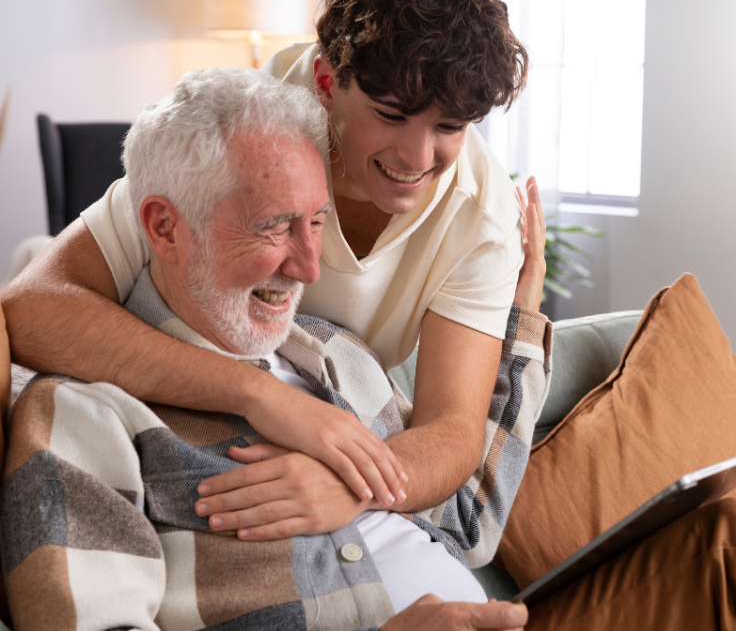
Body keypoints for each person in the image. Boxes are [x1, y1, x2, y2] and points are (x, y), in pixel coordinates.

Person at [1, 0, 547, 534]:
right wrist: (260, 395)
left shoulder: (484, 218)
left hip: (341, 418)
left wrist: (356, 487)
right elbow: (32, 306)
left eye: (449, 128)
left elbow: (453, 430)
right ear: (325, 81)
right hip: (190, 395)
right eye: (390, 114)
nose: (417, 159)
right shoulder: (244, 127)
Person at [1, 67, 545, 631]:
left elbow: (463, 521)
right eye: (274, 227)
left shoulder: (338, 355)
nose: (310, 266)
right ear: (164, 229)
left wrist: (521, 319)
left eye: (317, 222)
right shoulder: (82, 417)